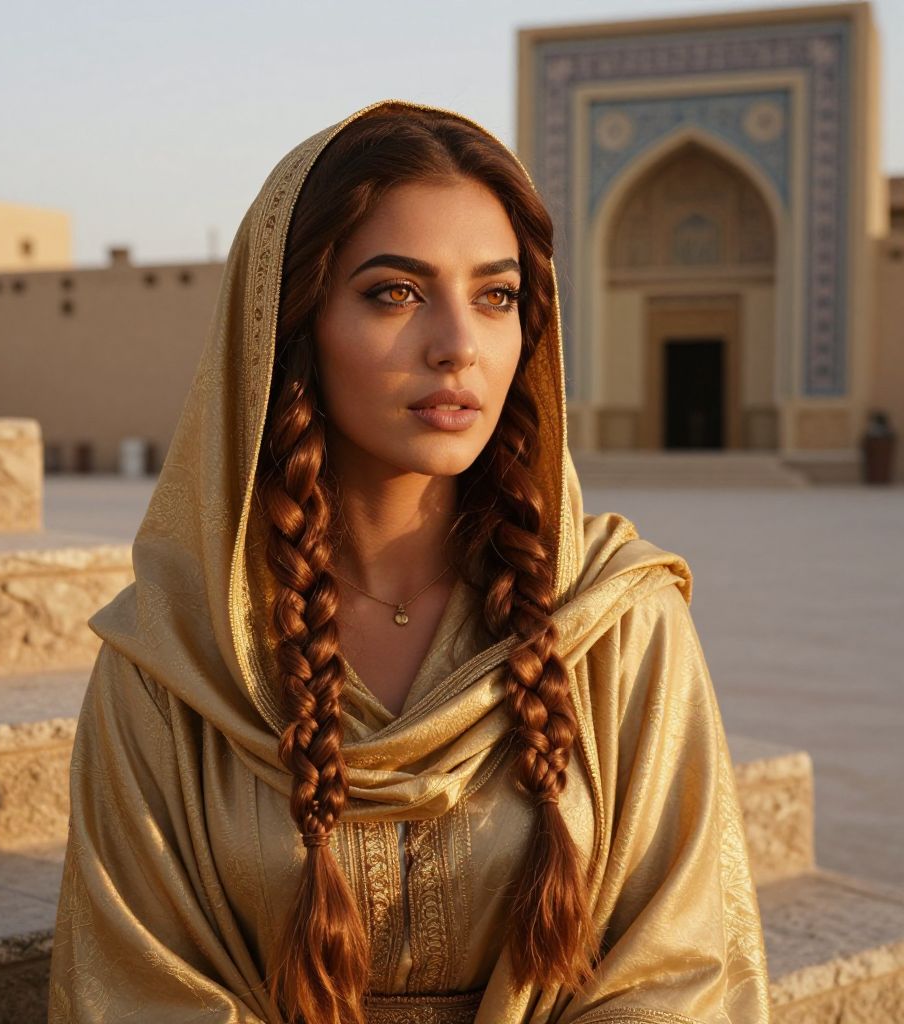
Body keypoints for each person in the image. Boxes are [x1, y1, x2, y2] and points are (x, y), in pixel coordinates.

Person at [48, 99, 771, 1024]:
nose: (459, 347)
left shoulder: (615, 624)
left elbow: (681, 972)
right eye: (395, 292)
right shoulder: (176, 663)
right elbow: (137, 990)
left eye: (496, 296)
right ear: (291, 320)